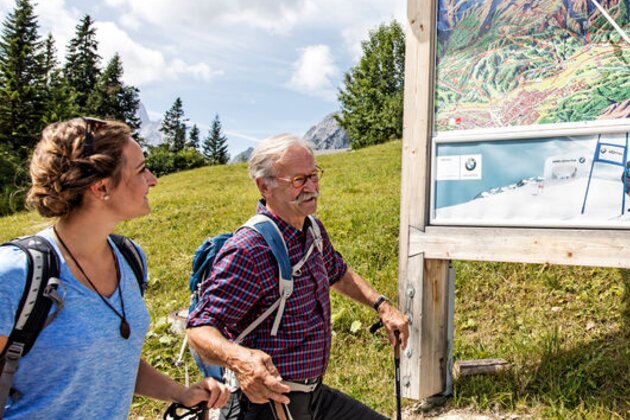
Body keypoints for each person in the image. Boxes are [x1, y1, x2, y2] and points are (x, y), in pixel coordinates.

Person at [0, 117, 229, 418]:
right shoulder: (16, 273)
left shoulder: (131, 258)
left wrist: (180, 393)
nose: (153, 179)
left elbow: (113, 361)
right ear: (101, 187)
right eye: (141, 169)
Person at [186, 134, 410, 420]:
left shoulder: (312, 230)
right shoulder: (248, 249)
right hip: (266, 403)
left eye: (314, 176)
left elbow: (337, 271)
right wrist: (239, 360)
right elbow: (199, 329)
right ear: (264, 185)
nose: (312, 187)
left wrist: (382, 306)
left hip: (312, 395)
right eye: (298, 180)